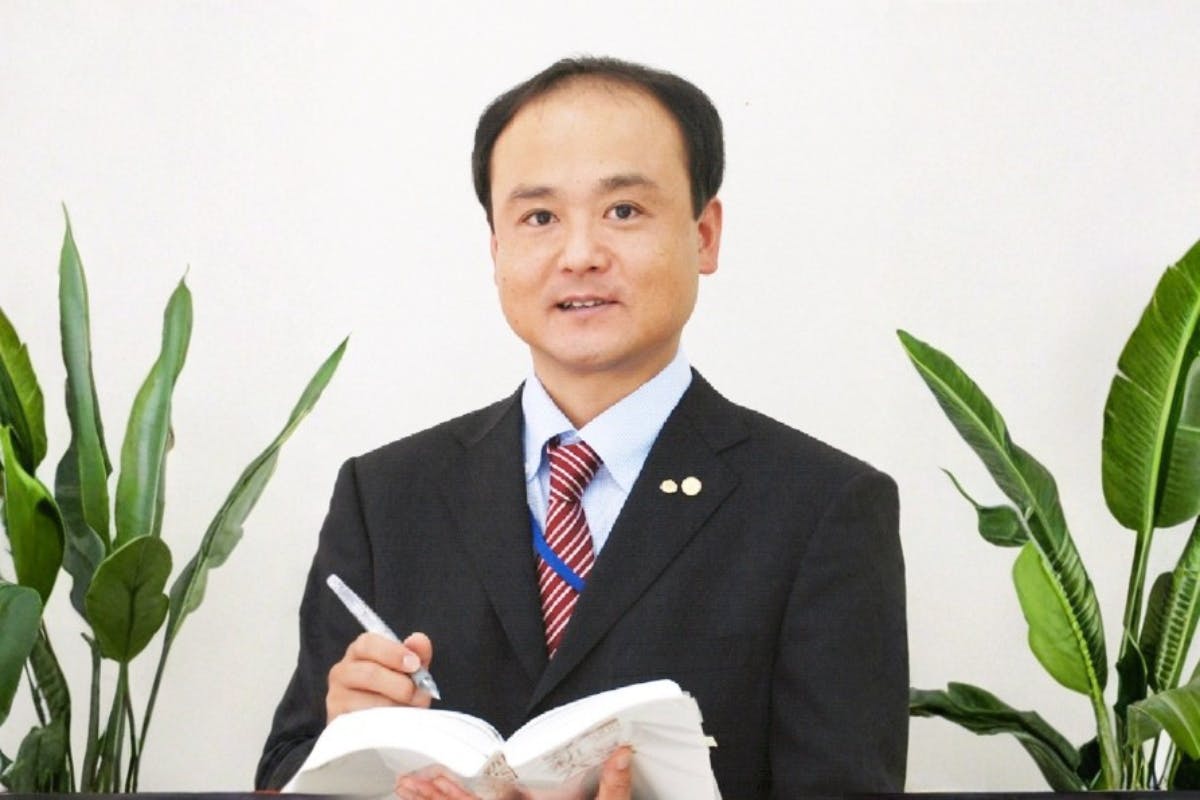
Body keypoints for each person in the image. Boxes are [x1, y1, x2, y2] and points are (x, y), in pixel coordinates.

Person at [256, 56, 908, 800]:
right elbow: (279, 775)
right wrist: (346, 746)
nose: (580, 255)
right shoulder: (385, 496)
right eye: (539, 218)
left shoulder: (821, 508)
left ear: (704, 235)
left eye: (623, 211)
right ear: (497, 250)